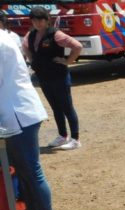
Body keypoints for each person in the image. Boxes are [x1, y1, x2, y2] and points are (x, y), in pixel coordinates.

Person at [0, 29, 59, 210]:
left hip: (18, 113)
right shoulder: (6, 36)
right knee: (22, 169)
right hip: (18, 111)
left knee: (31, 170)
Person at [22, 6, 82, 151]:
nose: (37, 23)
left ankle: (75, 139)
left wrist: (68, 61)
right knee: (55, 107)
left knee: (67, 106)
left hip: (59, 75)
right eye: (34, 20)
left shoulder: (56, 34)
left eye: (40, 20)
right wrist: (33, 61)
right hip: (44, 76)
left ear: (47, 20)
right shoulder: (30, 35)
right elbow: (25, 47)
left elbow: (77, 46)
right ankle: (62, 135)